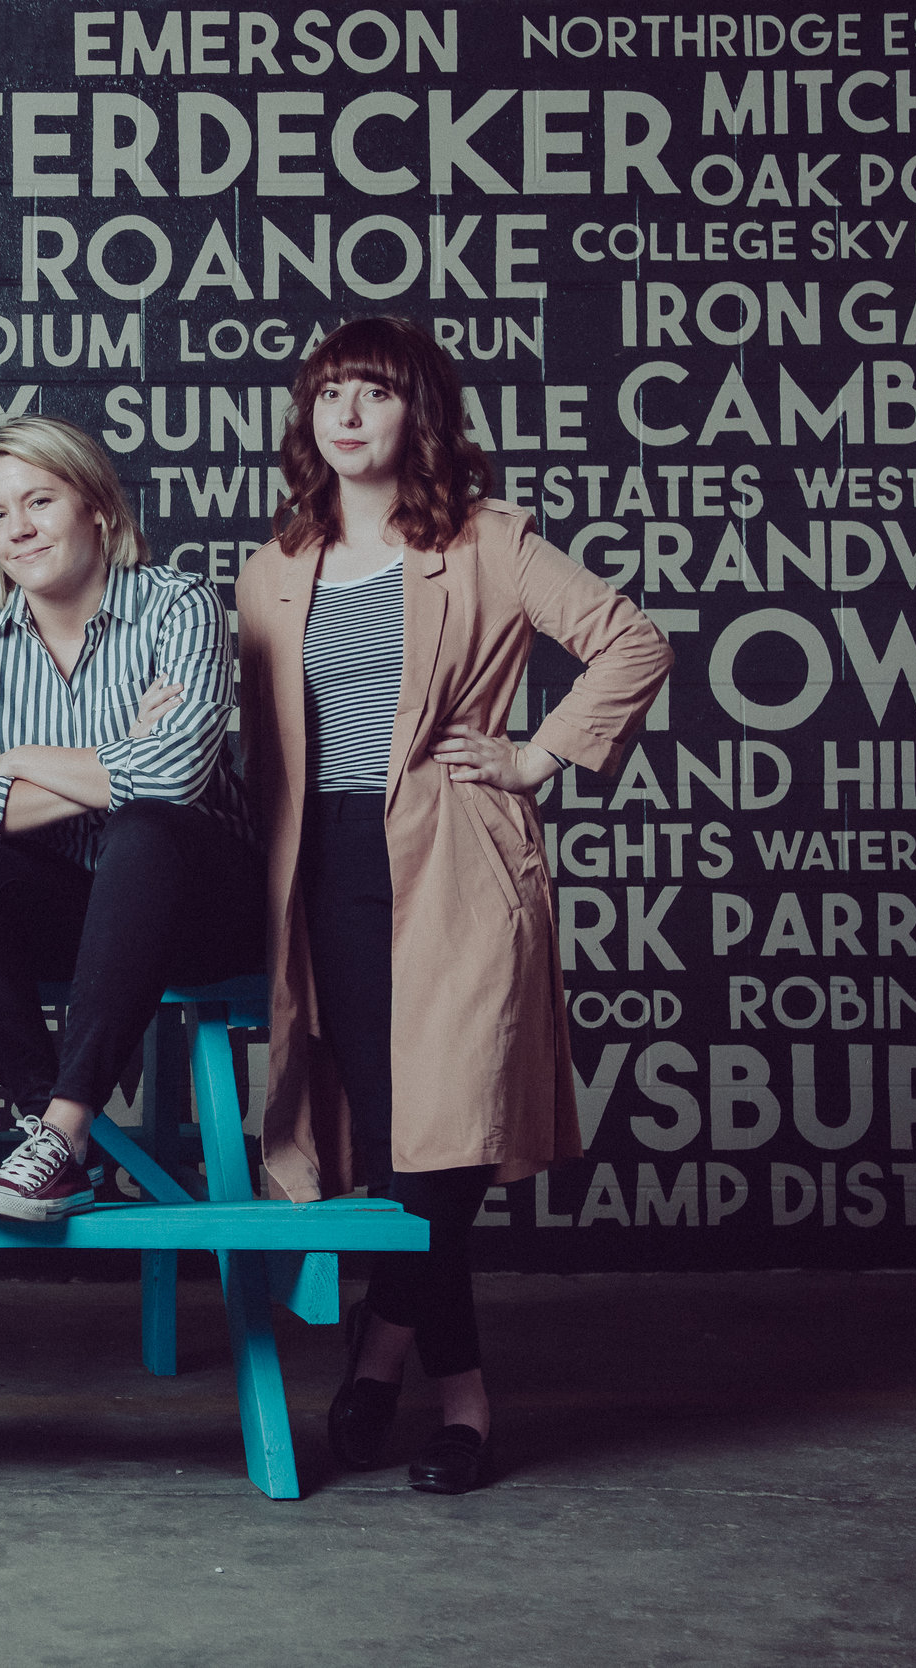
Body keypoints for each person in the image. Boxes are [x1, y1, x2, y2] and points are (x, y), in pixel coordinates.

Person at [237, 317, 672, 1494]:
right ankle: (415, 1371)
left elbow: (630, 643)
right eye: (328, 393)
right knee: (393, 1132)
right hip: (319, 865)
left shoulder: (487, 539)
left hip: (453, 857)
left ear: (414, 414)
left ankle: (436, 1386)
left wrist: (539, 756)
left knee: (446, 1137)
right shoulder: (275, 566)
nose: (345, 414)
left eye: (371, 393)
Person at [0, 417, 259, 1222]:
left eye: (40, 501)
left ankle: (65, 1129)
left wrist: (21, 755)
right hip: (79, 909)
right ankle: (47, 1127)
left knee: (146, 830)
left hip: (202, 908)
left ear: (95, 505)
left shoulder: (180, 604)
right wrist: (117, 753)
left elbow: (173, 778)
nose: (18, 529)